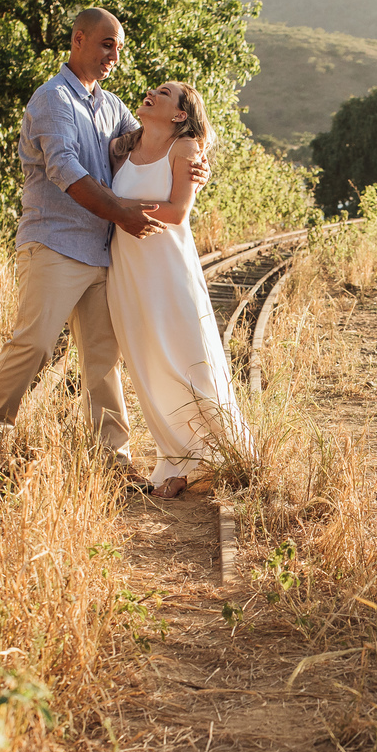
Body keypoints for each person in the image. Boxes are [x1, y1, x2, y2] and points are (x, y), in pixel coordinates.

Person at [0, 8, 204, 488]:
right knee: (35, 343)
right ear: (79, 40)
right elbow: (63, 170)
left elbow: (152, 141)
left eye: (118, 48)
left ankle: (113, 463)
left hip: (103, 253)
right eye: (106, 45)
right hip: (55, 243)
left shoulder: (112, 105)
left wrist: (194, 163)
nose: (114, 56)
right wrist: (122, 212)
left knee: (102, 360)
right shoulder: (52, 100)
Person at [106, 82, 255, 499]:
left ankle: (227, 455)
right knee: (148, 367)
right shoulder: (123, 147)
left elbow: (177, 210)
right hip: (128, 273)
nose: (152, 92)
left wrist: (119, 208)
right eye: (154, 88)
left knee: (189, 363)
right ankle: (177, 461)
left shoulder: (185, 148)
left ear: (179, 114)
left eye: (165, 92)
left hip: (168, 271)